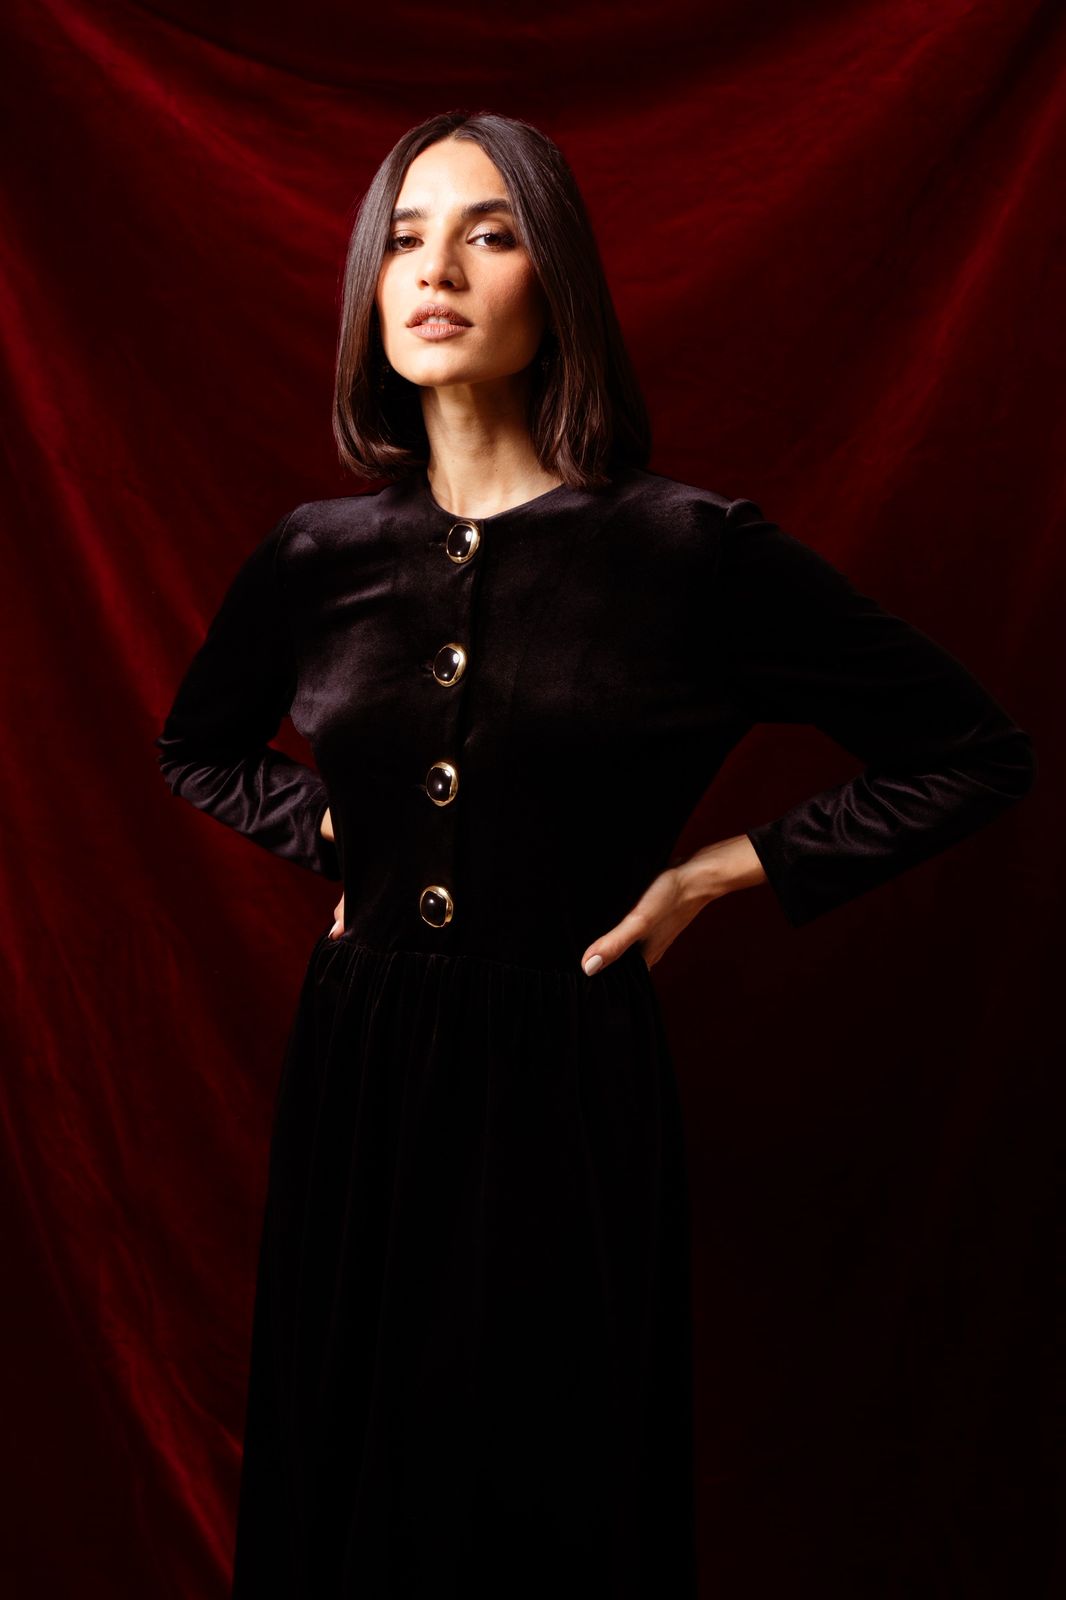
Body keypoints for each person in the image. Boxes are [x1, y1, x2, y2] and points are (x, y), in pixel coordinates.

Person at [155, 110, 1038, 1599]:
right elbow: (197, 745)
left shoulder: (686, 552)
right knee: (347, 1475)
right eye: (405, 239)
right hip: (362, 1066)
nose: (436, 271)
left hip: (563, 1071)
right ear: (371, 287)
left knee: (546, 1490)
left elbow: (970, 750)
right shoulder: (316, 555)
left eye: (489, 234)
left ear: (555, 282)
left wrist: (714, 873)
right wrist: (335, 830)